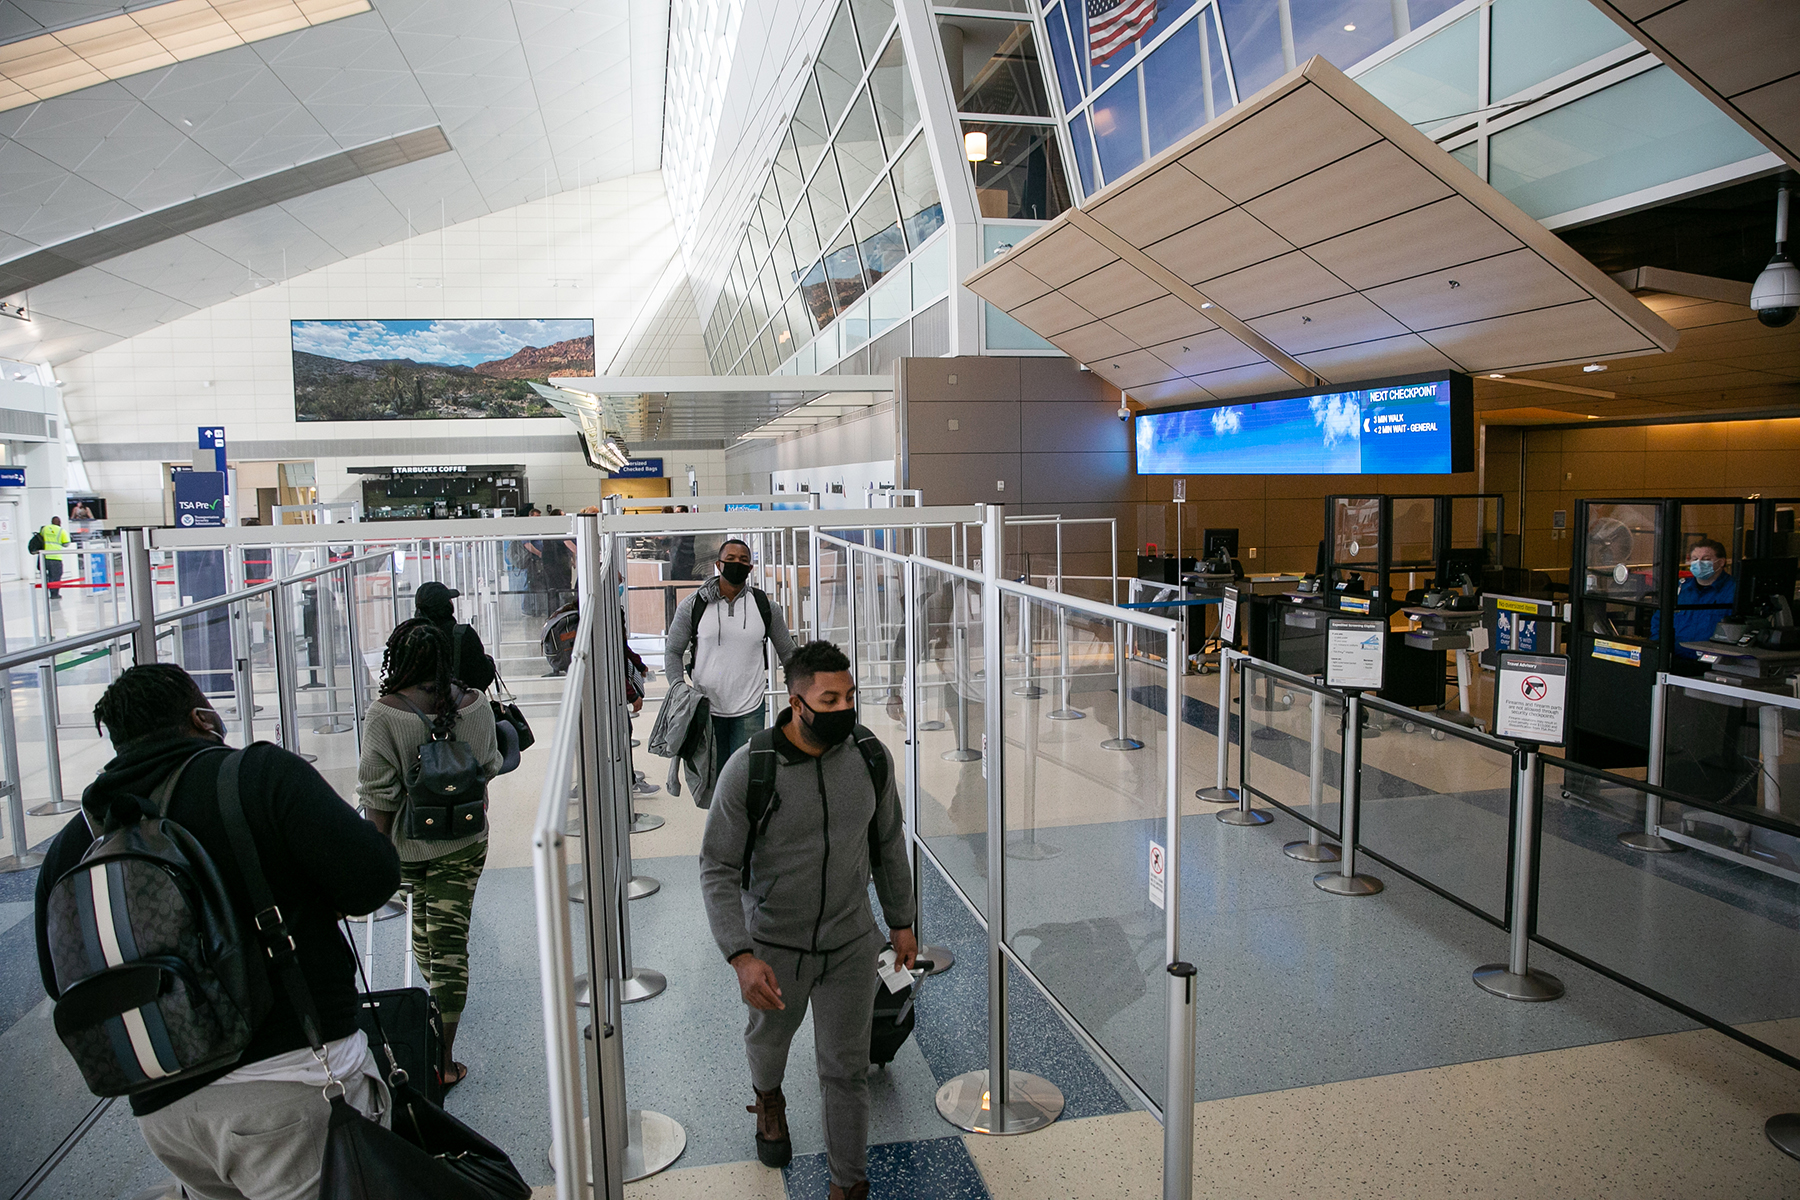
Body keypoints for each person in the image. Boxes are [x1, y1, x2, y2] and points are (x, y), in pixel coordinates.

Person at [33, 664, 400, 1199]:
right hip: (293, 1084)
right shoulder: (255, 775)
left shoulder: (75, 846)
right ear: (201, 717)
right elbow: (373, 880)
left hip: (165, 1113)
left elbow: (57, 979)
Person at [699, 641, 914, 1200]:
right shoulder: (751, 769)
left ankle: (849, 1184)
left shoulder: (869, 758)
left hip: (850, 941)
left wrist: (901, 920)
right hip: (774, 946)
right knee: (770, 1043)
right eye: (829, 698)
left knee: (845, 1069)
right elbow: (716, 867)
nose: (844, 707)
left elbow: (889, 842)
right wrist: (741, 956)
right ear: (796, 703)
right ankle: (768, 1099)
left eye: (849, 696)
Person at [357, 619, 503, 1089]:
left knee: (429, 939)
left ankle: (441, 1054)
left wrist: (371, 861)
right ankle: (443, 1040)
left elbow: (378, 797)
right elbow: (489, 767)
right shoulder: (475, 705)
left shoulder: (384, 714)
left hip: (404, 847)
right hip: (463, 843)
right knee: (444, 941)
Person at [665, 538, 797, 771]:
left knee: (744, 775)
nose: (737, 564)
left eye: (743, 560)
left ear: (750, 567)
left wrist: (802, 689)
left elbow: (788, 652)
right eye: (730, 559)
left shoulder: (765, 606)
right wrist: (678, 688)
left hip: (751, 709)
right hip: (705, 709)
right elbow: (674, 651)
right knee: (710, 777)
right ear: (718, 564)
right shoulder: (693, 605)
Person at [1653, 537, 1738, 658]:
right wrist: (1660, 647)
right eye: (1695, 559)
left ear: (1721, 562)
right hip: (1676, 658)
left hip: (1714, 662)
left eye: (1706, 559)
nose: (1699, 563)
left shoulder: (1734, 590)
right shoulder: (1680, 589)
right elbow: (1659, 619)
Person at [415, 580, 496, 692]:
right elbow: (481, 677)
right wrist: (489, 663)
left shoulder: (411, 637)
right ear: (446, 605)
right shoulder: (462, 634)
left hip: (420, 707)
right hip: (458, 705)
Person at [39, 514, 70, 601]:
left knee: (47, 576)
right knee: (56, 576)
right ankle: (54, 594)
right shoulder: (61, 531)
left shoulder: (44, 529)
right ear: (60, 523)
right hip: (56, 557)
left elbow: (40, 538)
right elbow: (66, 543)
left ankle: (47, 591)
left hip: (44, 557)